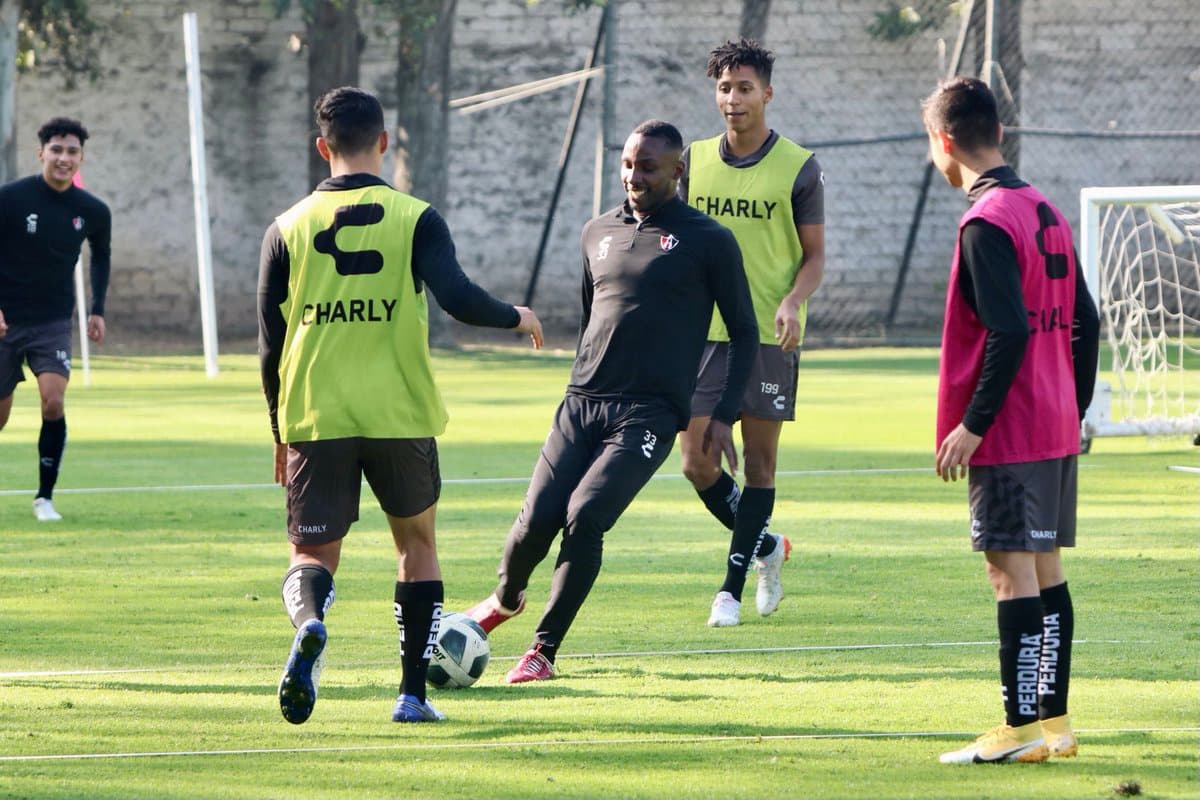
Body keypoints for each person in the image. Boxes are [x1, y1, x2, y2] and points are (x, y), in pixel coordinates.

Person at [258, 86, 543, 725]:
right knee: (416, 545)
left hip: (317, 413)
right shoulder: (417, 218)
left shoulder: (286, 227)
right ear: (384, 142)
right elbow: (457, 297)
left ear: (322, 147)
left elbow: (270, 341)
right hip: (399, 412)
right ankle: (412, 694)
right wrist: (515, 316)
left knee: (311, 556)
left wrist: (279, 427)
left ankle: (310, 623)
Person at [464, 119, 759, 684]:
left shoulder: (710, 240)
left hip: (650, 412)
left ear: (677, 170)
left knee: (585, 515)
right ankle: (505, 599)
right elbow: (591, 319)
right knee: (534, 523)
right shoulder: (595, 232)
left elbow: (744, 331)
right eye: (627, 164)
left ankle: (543, 651)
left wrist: (723, 415)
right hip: (582, 403)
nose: (633, 176)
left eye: (647, 167)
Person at [923, 77, 1099, 764]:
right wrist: (1073, 406)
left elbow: (1009, 331)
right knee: (1046, 568)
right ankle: (1055, 725)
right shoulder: (1042, 207)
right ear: (998, 132)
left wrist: (973, 422)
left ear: (944, 141)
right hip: (1053, 421)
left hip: (1012, 428)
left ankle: (1019, 730)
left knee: (1009, 572)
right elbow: (1086, 320)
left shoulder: (986, 221)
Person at [678, 39, 826, 627]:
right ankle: (767, 544)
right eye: (724, 88)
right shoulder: (692, 161)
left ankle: (731, 590)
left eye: (744, 88)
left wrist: (793, 301)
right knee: (696, 462)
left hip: (768, 335)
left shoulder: (799, 166)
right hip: (705, 335)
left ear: (767, 93)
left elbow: (815, 257)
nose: (733, 99)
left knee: (760, 466)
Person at [0, 117, 111, 523]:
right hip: (6, 320)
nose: (64, 158)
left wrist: (97, 309)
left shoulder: (93, 210)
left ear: (81, 157)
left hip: (52, 321)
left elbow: (101, 256)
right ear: (41, 153)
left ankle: (44, 498)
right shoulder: (10, 198)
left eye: (72, 152)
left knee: (53, 400)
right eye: (57, 150)